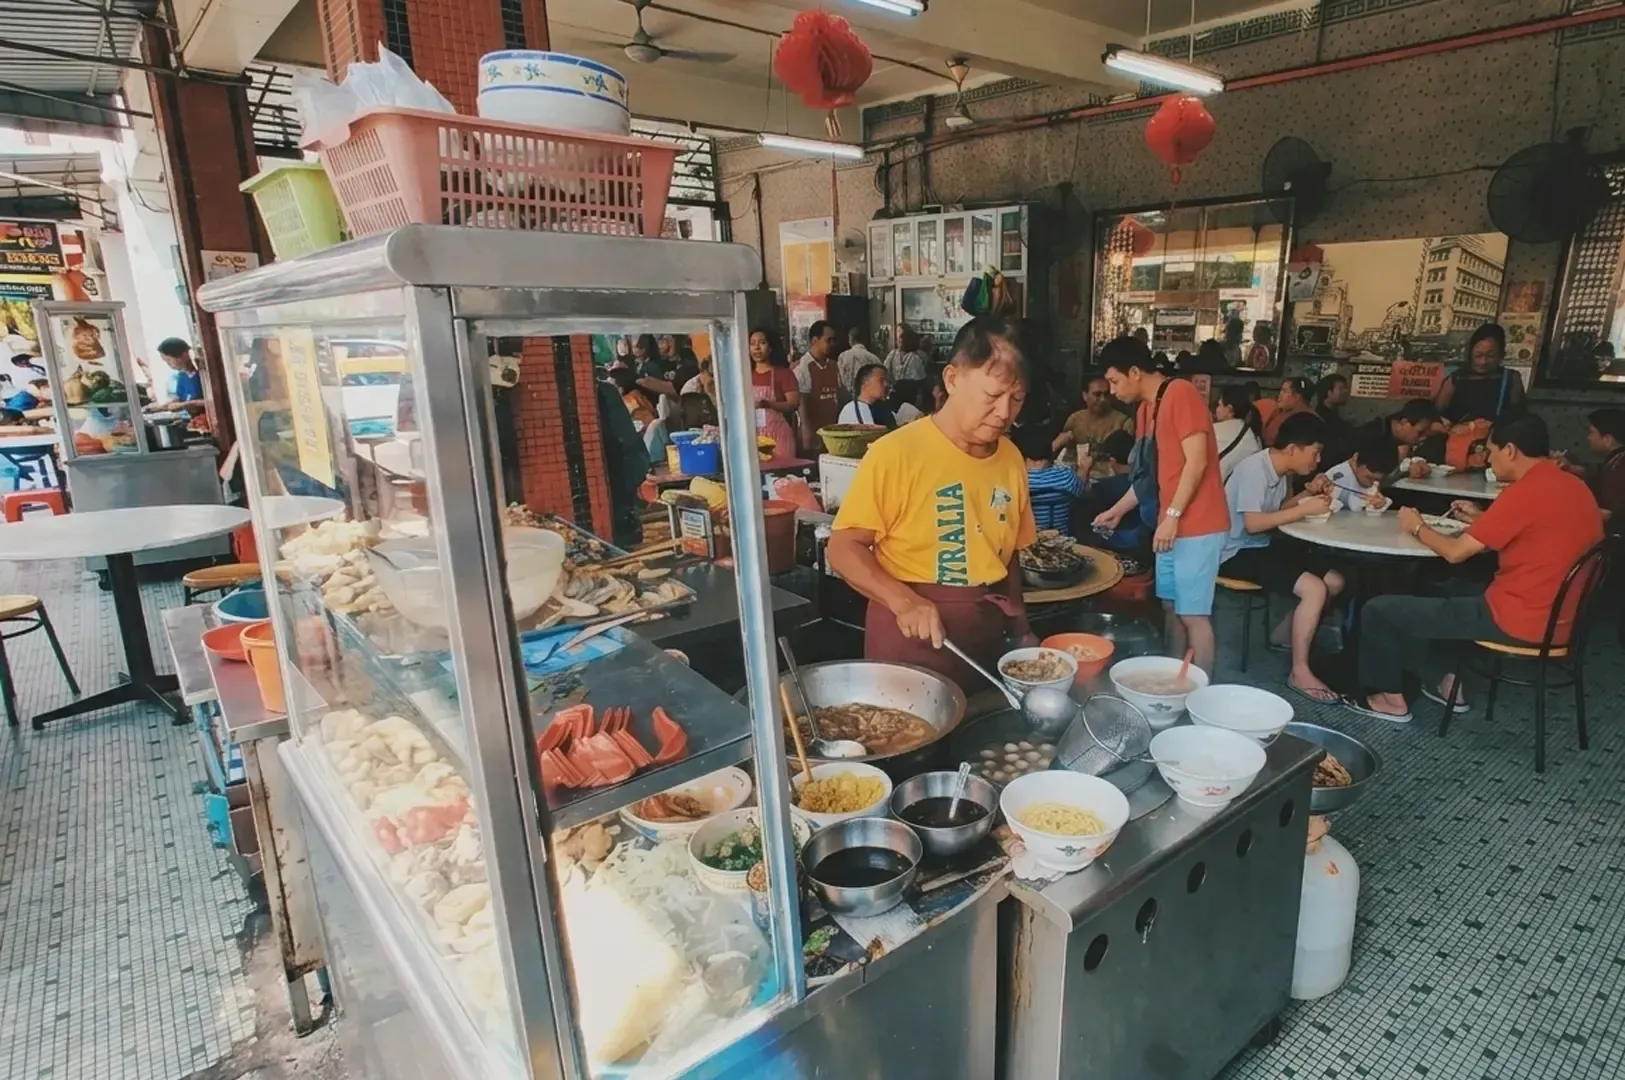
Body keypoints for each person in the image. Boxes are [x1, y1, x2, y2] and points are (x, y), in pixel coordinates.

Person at [1345, 414, 1603, 723]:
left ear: (1510, 450)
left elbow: (1455, 553)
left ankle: (1390, 701)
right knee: (1444, 587)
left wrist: (1417, 527)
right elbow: (1539, 532)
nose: (1488, 459)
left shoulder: (1524, 492)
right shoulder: (1572, 485)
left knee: (1378, 609)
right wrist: (1482, 520)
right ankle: (1450, 684)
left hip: (1518, 619)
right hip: (1564, 619)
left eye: (1491, 451)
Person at [827, 315, 1037, 689]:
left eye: (1017, 399)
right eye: (992, 396)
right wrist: (903, 601)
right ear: (953, 380)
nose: (1005, 413)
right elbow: (843, 548)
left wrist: (1021, 629)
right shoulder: (898, 452)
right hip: (908, 641)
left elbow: (1010, 554)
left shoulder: (1011, 458)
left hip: (984, 638)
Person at [1092, 335, 1230, 674]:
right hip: (1171, 527)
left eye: (1114, 380)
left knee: (1193, 614)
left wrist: (1171, 516)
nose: (1111, 391)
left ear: (1135, 371)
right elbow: (1149, 479)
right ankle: (1171, 679)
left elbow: (1196, 463)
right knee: (1170, 606)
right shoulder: (1145, 411)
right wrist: (1118, 510)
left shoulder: (1180, 393)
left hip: (1198, 525)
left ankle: (1202, 693)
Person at [1219, 413, 1342, 701]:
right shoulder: (1254, 470)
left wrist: (1305, 495)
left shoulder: (1280, 471)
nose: (1318, 461)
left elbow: (1279, 510)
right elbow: (1254, 523)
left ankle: (1284, 635)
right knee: (1314, 588)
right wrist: (1303, 510)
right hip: (1236, 552)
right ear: (1292, 449)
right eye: (1315, 452)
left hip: (1260, 545)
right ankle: (1299, 672)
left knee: (1333, 581)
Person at [594, 379, 650, 550]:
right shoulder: (604, 390)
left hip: (617, 465)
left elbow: (624, 434)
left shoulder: (604, 392)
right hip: (620, 465)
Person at [1436, 322, 1525, 423]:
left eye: (1490, 356)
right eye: (1478, 355)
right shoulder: (1456, 379)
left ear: (1501, 355)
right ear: (1470, 354)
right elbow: (1436, 413)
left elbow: (1519, 417)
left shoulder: (1511, 378)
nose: (1483, 362)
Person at [1561, 407, 1625, 526]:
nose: (1589, 438)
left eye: (1592, 433)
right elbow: (1598, 474)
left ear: (1607, 439)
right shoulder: (1615, 461)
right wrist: (1572, 467)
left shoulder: (1621, 465)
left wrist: (1611, 517)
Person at [1017, 423, 1086, 533]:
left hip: (1028, 541)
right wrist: (1084, 468)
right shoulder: (1065, 476)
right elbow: (1081, 491)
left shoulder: (1018, 481)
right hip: (1062, 539)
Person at [1321, 429, 1401, 512]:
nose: (1374, 483)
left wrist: (1381, 504)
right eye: (1369, 478)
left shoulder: (1371, 479)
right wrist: (1366, 503)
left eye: (1378, 480)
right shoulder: (1335, 476)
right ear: (1355, 458)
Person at [1054, 374, 1133, 457]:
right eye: (1097, 394)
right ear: (1085, 396)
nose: (1103, 399)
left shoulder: (1123, 422)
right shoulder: (1075, 419)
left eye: (1106, 394)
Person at [749, 328, 800, 454]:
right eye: (752, 343)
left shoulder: (783, 374)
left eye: (762, 343)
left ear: (771, 347)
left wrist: (769, 405)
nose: (757, 348)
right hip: (752, 434)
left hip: (778, 435)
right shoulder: (745, 375)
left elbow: (793, 403)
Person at [795, 319, 841, 452]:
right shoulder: (802, 367)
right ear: (815, 340)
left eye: (834, 340)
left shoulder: (834, 366)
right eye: (828, 340)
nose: (832, 344)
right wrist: (806, 429)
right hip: (813, 431)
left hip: (832, 430)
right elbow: (800, 401)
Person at [1355, 398, 1443, 463]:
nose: (1422, 438)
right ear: (1404, 423)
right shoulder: (1373, 437)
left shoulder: (1394, 437)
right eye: (1420, 433)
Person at [1213, 386, 1263, 483]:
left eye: (1219, 405)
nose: (1217, 409)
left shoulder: (1215, 431)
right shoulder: (1253, 439)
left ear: (1230, 410)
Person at [150, 337, 204, 414]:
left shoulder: (201, 375)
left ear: (184, 355)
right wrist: (161, 407)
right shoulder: (182, 376)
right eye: (165, 361)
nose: (168, 364)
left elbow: (212, 401)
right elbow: (181, 398)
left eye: (169, 360)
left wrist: (185, 405)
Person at [837, 363, 898, 429]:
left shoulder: (884, 408)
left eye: (886, 381)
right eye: (881, 380)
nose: (886, 384)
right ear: (865, 382)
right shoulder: (851, 410)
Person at [1315, 372, 1354, 467]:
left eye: (1346, 388)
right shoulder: (1321, 417)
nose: (1346, 391)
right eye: (1341, 388)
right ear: (1329, 392)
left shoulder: (1333, 414)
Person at [885, 325, 931, 405]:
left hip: (910, 394)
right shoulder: (893, 353)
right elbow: (885, 370)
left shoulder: (916, 357)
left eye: (901, 340)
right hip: (896, 391)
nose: (898, 341)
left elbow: (920, 380)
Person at [1262, 376, 1313, 446]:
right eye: (1280, 391)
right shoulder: (1278, 412)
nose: (1279, 395)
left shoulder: (1309, 421)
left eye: (1284, 391)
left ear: (1297, 397)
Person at [836, 326, 881, 402]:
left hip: (847, 400)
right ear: (864, 340)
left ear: (850, 339)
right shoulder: (874, 359)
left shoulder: (843, 357)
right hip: (868, 400)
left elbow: (839, 382)